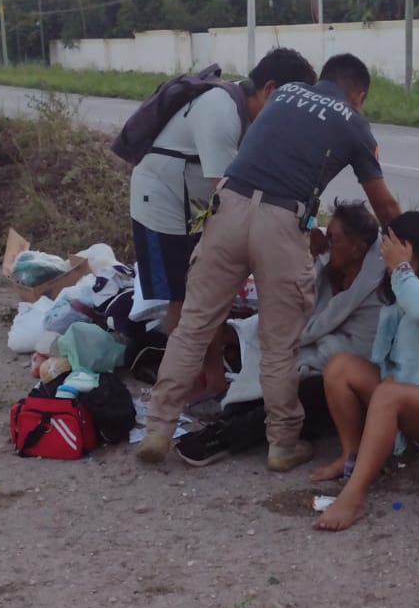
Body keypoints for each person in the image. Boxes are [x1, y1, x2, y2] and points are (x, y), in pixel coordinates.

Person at [136, 53, 400, 473]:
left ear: (323, 78)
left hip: (230, 205)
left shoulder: (286, 94)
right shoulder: (354, 123)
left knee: (194, 325)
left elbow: (268, 154)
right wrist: (411, 247)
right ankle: (282, 444)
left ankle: (157, 430)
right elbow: (383, 204)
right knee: (280, 342)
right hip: (281, 222)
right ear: (360, 95)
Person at [129, 47, 317, 397]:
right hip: (160, 204)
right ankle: (184, 388)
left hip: (196, 205)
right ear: (272, 90)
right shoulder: (221, 110)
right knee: (182, 301)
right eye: (292, 105)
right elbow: (232, 193)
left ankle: (212, 381)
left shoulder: (253, 118)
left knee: (206, 296)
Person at [312, 210, 419, 532]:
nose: (385, 260)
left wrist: (401, 268)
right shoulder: (400, 286)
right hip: (405, 391)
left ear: (413, 248)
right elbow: (387, 350)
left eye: (392, 251)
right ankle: (351, 457)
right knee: (340, 367)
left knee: (388, 394)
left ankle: (354, 497)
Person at [175, 201, 383, 465]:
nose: (326, 243)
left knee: (301, 388)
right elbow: (296, 308)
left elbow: (362, 348)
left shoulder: (376, 290)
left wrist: (307, 350)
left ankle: (227, 436)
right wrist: (308, 257)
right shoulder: (330, 268)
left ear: (358, 249)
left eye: (333, 238)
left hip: (339, 375)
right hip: (310, 351)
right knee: (271, 361)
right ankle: (225, 423)